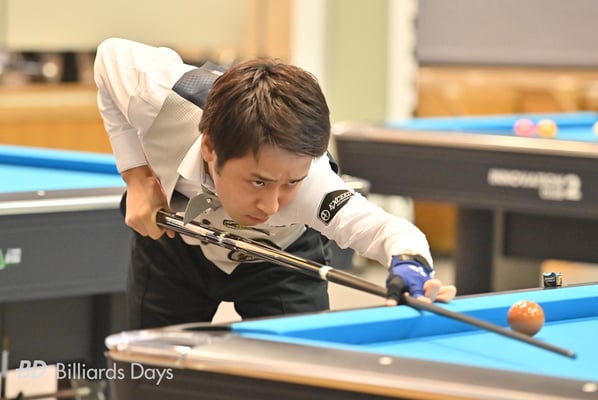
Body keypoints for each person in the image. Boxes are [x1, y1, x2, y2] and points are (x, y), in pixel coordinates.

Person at [94, 38, 456, 329]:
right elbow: (108, 56)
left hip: (283, 259)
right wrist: (136, 176)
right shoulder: (161, 95)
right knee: (153, 375)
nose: (271, 205)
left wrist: (412, 268)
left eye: (291, 182)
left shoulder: (315, 186)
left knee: (296, 378)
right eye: (258, 181)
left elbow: (387, 231)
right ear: (210, 148)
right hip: (175, 246)